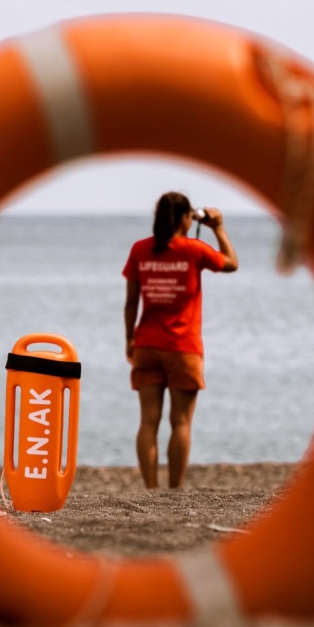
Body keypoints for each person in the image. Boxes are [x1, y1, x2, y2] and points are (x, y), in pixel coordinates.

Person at [122, 191, 238, 489]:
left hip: (146, 344)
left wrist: (129, 340)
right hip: (183, 347)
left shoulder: (140, 250)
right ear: (187, 218)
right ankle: (174, 489)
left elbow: (131, 303)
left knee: (148, 421)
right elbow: (231, 263)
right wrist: (218, 228)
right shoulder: (194, 250)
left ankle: (150, 488)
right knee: (181, 423)